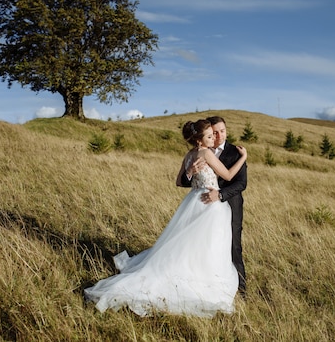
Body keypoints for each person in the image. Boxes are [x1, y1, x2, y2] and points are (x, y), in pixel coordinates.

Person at [84, 119, 247, 317]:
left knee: (189, 244)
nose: (214, 138)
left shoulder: (189, 155)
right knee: (207, 246)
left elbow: (180, 181)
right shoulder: (205, 153)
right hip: (209, 205)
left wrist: (190, 171)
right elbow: (229, 176)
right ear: (199, 141)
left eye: (216, 134)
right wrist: (243, 157)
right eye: (210, 136)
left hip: (193, 201)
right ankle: (201, 281)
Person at [180, 116, 248, 297]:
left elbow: (241, 183)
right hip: (204, 205)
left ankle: (241, 289)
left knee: (233, 246)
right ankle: (205, 285)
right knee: (203, 245)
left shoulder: (234, 152)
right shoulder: (203, 152)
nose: (218, 136)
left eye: (222, 131)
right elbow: (182, 181)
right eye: (213, 133)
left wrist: (220, 194)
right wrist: (191, 172)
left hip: (226, 204)